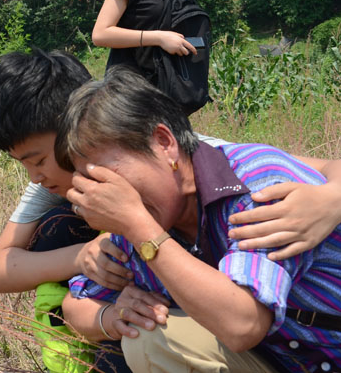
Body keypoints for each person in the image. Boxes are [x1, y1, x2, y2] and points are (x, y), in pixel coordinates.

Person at [58, 68, 341, 372]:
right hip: (281, 362)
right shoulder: (136, 224)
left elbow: (243, 324)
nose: (107, 195)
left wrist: (140, 227)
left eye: (106, 176)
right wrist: (113, 317)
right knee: (150, 337)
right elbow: (74, 306)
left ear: (164, 142)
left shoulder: (257, 185)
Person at [0, 49, 132, 373]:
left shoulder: (140, 163)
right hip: (111, 316)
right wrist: (82, 256)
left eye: (38, 161)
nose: (34, 176)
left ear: (80, 122)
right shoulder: (48, 188)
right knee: (58, 226)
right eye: (23, 164)